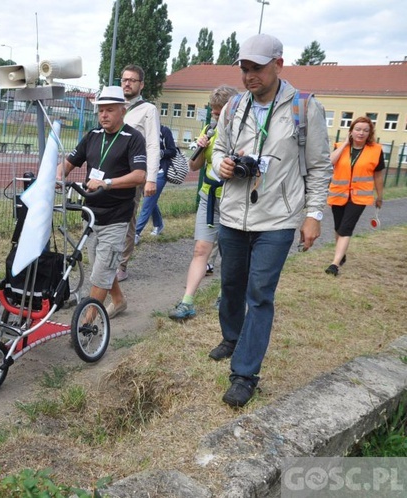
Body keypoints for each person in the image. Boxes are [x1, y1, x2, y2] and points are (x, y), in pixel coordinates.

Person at [210, 34, 332, 408]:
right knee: (231, 286)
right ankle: (232, 337)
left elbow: (319, 166)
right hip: (233, 214)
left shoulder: (305, 107)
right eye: (244, 69)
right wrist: (223, 165)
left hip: (277, 220)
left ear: (279, 64)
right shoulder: (233, 107)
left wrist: (312, 216)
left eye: (257, 68)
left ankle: (245, 374)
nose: (249, 76)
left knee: (259, 295)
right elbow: (217, 151)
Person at [57, 86, 147, 319]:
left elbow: (140, 176)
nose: (103, 115)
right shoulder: (93, 136)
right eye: (100, 111)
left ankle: (85, 325)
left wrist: (106, 182)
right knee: (102, 267)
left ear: (122, 110)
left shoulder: (133, 138)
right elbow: (69, 162)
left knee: (101, 272)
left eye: (109, 110)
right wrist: (58, 176)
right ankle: (118, 301)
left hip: (116, 217)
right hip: (91, 215)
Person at [169, 85, 238, 320]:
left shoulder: (243, 133)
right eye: (214, 112)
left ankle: (224, 296)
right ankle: (187, 301)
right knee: (201, 249)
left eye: (220, 113)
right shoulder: (209, 130)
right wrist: (201, 147)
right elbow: (194, 166)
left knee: (230, 253)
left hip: (234, 200)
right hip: (209, 198)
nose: (216, 117)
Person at [116, 64, 160, 282]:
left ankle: (121, 264)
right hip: (110, 173)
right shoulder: (114, 106)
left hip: (133, 175)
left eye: (132, 80)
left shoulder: (148, 110)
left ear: (141, 84)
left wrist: (150, 178)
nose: (127, 83)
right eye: (124, 79)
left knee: (127, 219)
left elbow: (152, 145)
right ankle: (107, 259)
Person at [325, 116, 385, 276]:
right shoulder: (340, 146)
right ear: (351, 131)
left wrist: (380, 196)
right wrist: (345, 143)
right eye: (358, 129)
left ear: (370, 133)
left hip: (359, 197)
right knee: (338, 227)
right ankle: (341, 254)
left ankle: (334, 264)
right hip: (338, 194)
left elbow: (378, 175)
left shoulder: (376, 150)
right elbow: (329, 162)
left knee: (346, 228)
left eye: (366, 130)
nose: (361, 133)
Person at [134, 124, 177, 245]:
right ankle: (159, 224)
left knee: (147, 202)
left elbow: (172, 151)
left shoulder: (164, 131)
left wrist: (160, 153)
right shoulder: (141, 132)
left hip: (159, 172)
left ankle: (136, 233)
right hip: (144, 172)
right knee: (151, 200)